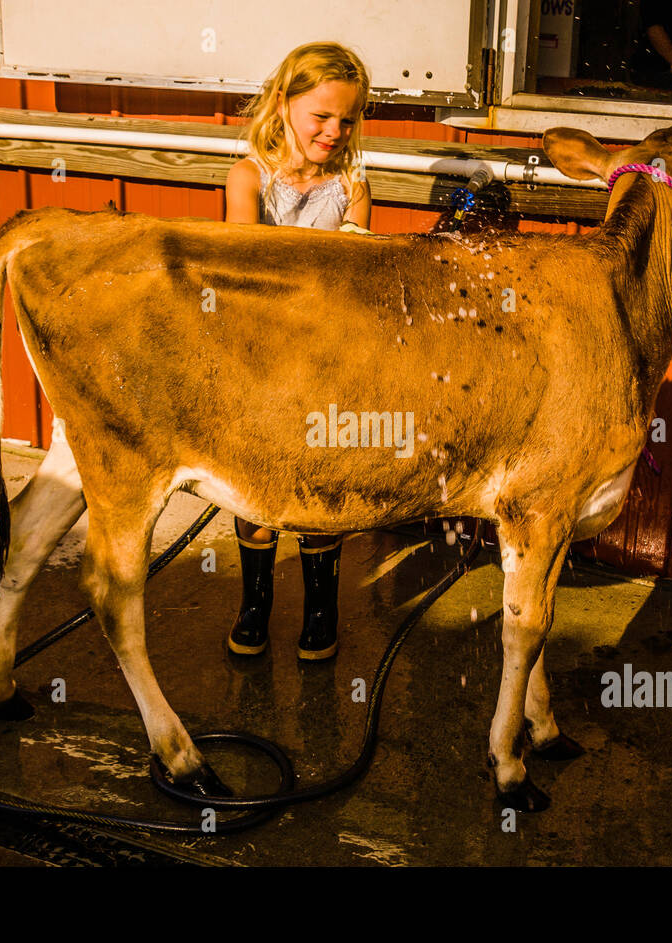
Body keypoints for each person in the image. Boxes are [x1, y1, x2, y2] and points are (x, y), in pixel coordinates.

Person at [221, 41, 372, 662]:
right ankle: (255, 605)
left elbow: (358, 281)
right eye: (321, 116)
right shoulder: (248, 177)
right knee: (256, 491)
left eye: (348, 119)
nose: (334, 131)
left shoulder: (352, 185)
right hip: (259, 359)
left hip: (327, 362)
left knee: (320, 494)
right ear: (283, 105)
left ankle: (320, 611)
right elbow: (239, 277)